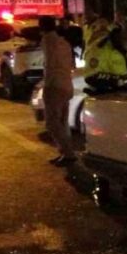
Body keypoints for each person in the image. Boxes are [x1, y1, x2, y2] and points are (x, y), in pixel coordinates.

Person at [40, 16, 77, 167]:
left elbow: (49, 65)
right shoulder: (65, 43)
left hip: (54, 85)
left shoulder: (47, 40)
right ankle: (66, 152)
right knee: (62, 122)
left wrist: (47, 86)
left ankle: (68, 154)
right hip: (67, 84)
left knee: (52, 123)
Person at [82, 22, 127, 94]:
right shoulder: (100, 49)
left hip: (124, 94)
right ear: (124, 36)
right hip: (103, 96)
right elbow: (90, 76)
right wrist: (116, 82)